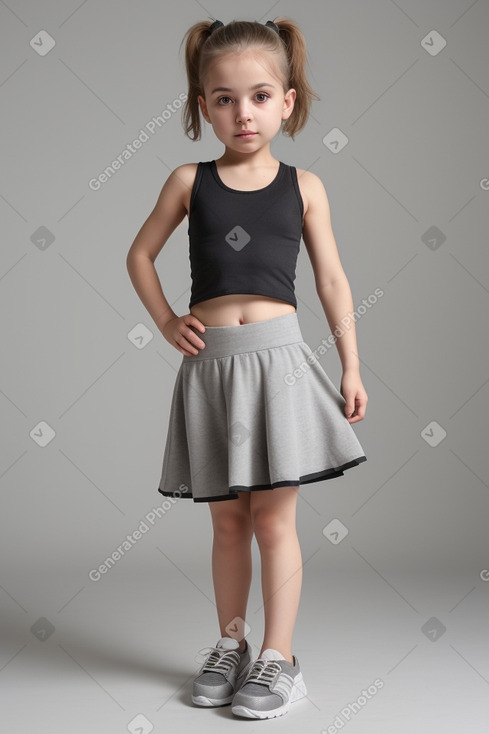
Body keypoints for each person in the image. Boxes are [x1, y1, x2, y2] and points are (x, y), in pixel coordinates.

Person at [126, 17, 368, 720]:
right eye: (225, 99)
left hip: (280, 366)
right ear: (204, 105)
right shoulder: (187, 180)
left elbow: (331, 282)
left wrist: (351, 367)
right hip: (213, 371)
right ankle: (230, 644)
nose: (243, 112)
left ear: (286, 102)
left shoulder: (305, 186)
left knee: (272, 522)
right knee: (226, 524)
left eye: (259, 96)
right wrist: (168, 320)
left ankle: (278, 657)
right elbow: (139, 255)